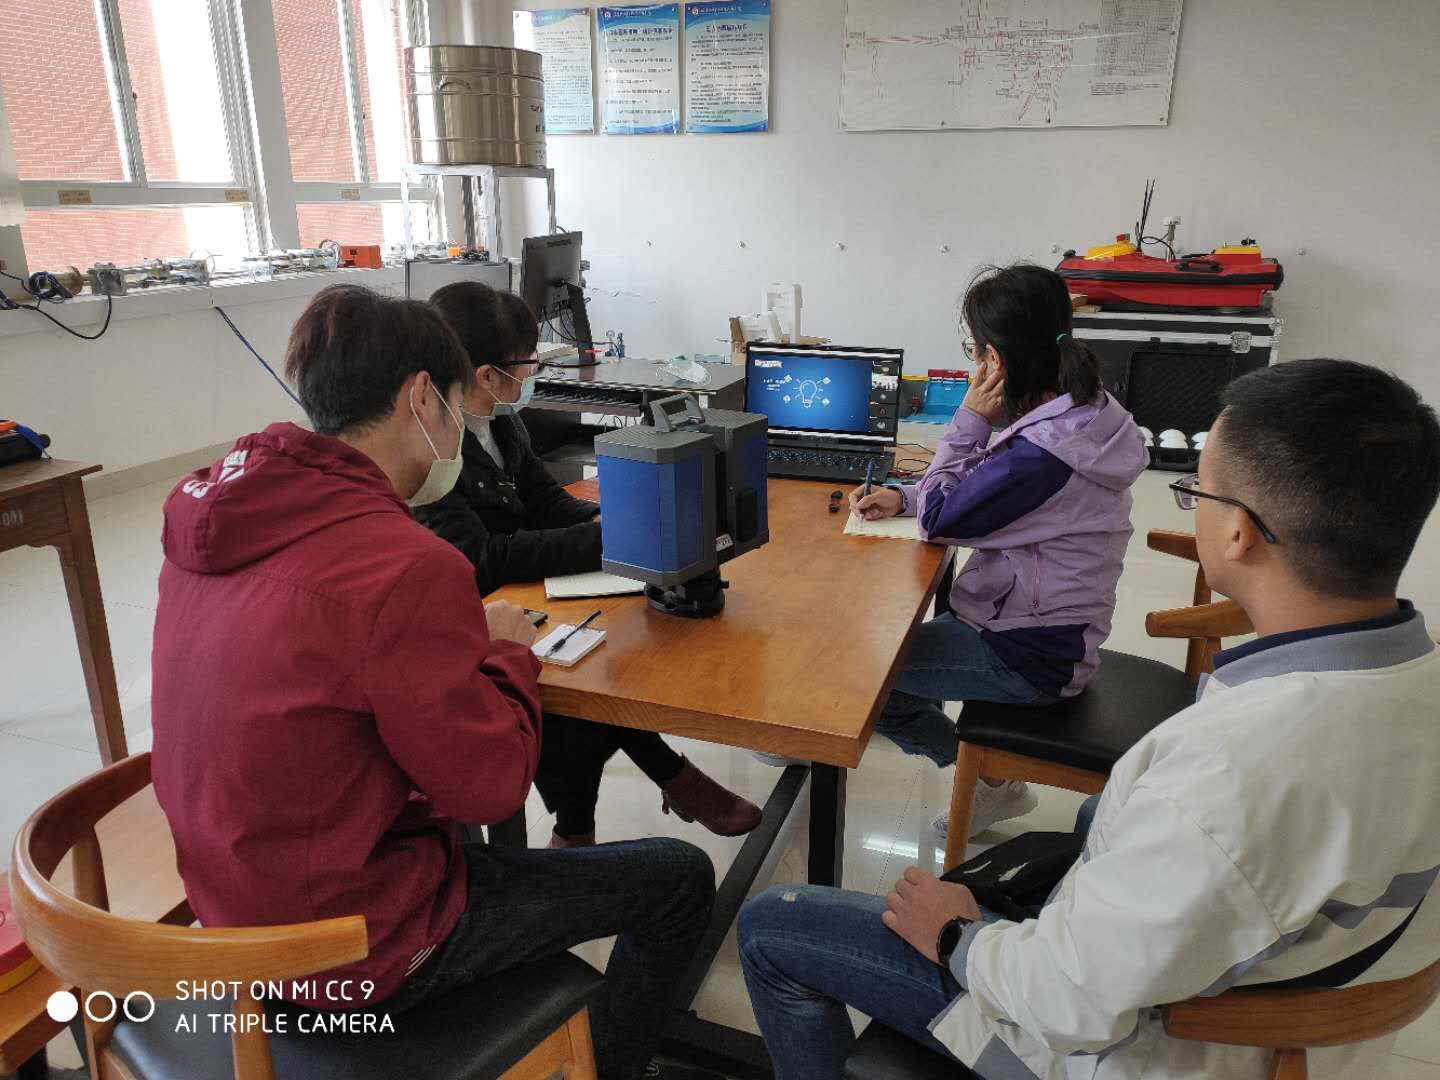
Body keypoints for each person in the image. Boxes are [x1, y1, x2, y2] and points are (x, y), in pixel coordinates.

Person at [738, 358, 1440, 1080]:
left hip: (1105, 1049)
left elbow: (1065, 1004)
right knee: (1084, 820)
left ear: (1239, 533)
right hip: (1249, 991)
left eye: (1196, 491)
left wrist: (954, 935)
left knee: (770, 925)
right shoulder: (1408, 686)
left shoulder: (1231, 776)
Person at [150, 284, 717, 1080]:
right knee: (680, 878)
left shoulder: (211, 525)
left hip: (235, 916)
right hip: (353, 949)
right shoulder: (404, 564)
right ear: (423, 397)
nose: (456, 428)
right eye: (453, 405)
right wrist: (507, 653)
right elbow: (490, 789)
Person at [417, 281, 762, 847]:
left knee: (609, 665)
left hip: (527, 597)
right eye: (527, 363)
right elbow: (481, 559)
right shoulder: (434, 451)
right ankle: (627, 804)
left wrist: (617, 523)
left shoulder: (499, 421)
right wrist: (609, 540)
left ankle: (625, 807)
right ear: (486, 376)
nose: (534, 373)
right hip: (480, 617)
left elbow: (546, 502)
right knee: (581, 705)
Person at [849, 264, 1146, 841]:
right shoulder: (1079, 409)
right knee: (878, 652)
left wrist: (968, 422)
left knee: (860, 673)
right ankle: (982, 771)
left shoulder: (1045, 455)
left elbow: (942, 520)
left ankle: (988, 780)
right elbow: (986, 491)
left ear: (995, 359)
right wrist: (907, 495)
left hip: (1030, 656)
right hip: (1035, 625)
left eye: (973, 349)